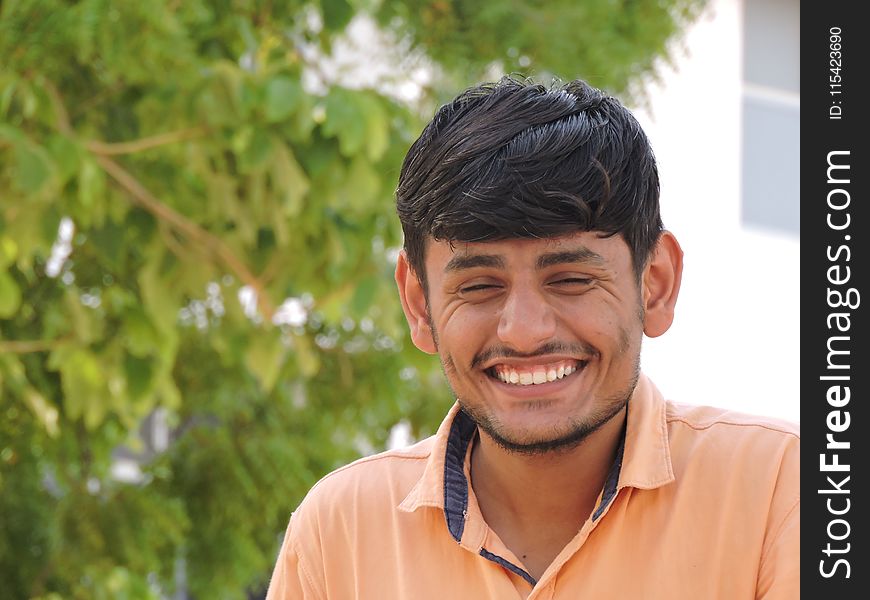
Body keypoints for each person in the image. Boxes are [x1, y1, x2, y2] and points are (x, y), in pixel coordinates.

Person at [265, 76, 799, 599]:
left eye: (570, 279)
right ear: (419, 303)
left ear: (655, 285)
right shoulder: (340, 535)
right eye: (478, 286)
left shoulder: (784, 490)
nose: (523, 332)